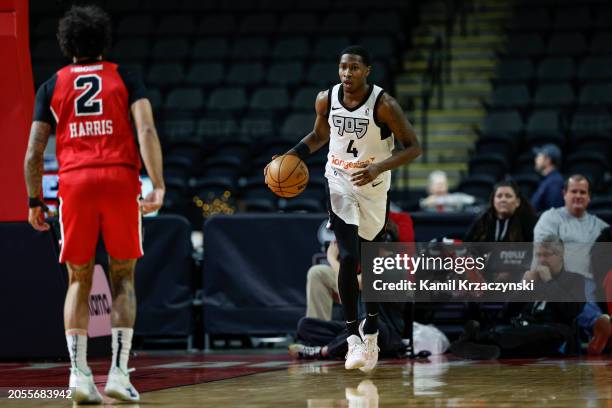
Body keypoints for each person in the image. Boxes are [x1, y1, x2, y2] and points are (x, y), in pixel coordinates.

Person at [23, 5, 164, 404]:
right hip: (119, 179)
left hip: (75, 182)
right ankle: (119, 373)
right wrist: (158, 184)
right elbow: (147, 129)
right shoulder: (125, 77)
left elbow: (34, 153)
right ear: (104, 40)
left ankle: (79, 375)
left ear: (67, 44)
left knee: (78, 280)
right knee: (123, 278)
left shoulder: (51, 85)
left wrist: (34, 199)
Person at [267, 45, 421, 372]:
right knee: (348, 255)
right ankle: (353, 338)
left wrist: (380, 167)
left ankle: (373, 330)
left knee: (368, 258)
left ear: (367, 71)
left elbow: (414, 147)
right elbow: (319, 134)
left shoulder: (385, 105)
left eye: (353, 68)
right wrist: (292, 155)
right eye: (342, 68)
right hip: (337, 179)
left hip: (374, 185)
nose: (347, 74)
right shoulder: (326, 98)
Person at [451, 237, 585, 360]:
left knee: (534, 333)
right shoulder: (534, 278)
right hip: (523, 328)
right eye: (539, 255)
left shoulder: (575, 279)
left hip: (553, 331)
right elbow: (507, 313)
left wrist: (549, 281)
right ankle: (484, 347)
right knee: (510, 330)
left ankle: (476, 343)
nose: (542, 260)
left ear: (561, 255)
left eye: (547, 255)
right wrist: (524, 287)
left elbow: (571, 311)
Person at [533, 174, 610, 354]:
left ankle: (598, 329)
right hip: (554, 279)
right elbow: (544, 255)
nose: (578, 196)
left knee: (584, 290)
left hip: (589, 285)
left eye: (583, 192)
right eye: (573, 191)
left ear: (589, 197)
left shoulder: (599, 226)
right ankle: (598, 323)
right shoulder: (550, 218)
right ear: (564, 194)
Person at [531, 144, 564, 212]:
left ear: (547, 160)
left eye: (539, 156)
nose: (536, 159)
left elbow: (554, 212)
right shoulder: (548, 180)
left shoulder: (555, 182)